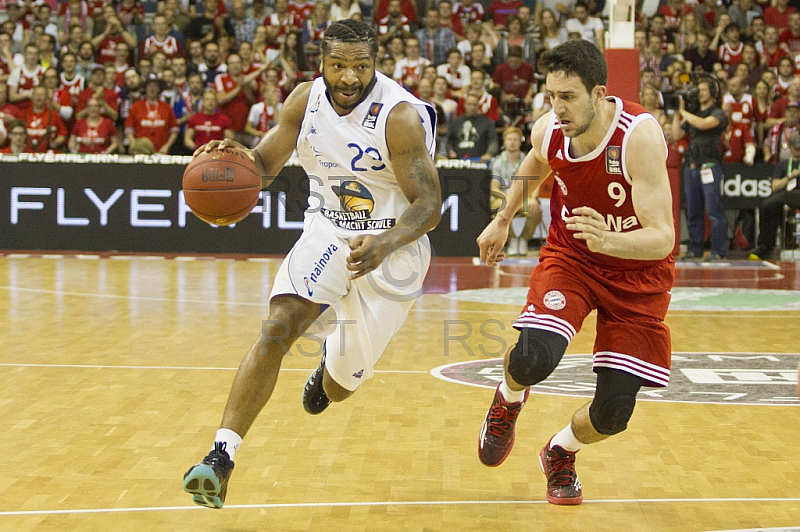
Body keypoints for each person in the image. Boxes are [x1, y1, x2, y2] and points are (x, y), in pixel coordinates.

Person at [181, 19, 442, 510]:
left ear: (375, 65)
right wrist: (231, 159)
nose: (348, 77)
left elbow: (428, 206)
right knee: (278, 327)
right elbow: (263, 164)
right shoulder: (304, 100)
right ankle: (220, 457)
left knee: (341, 389)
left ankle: (330, 368)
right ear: (321, 63)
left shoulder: (399, 116)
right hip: (327, 229)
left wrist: (385, 243)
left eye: (360, 67)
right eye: (338, 65)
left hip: (393, 246)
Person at [476, 40, 675, 506]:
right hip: (574, 257)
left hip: (637, 275)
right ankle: (508, 399)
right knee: (532, 358)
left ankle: (560, 452)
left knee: (613, 413)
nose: (557, 108)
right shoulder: (551, 129)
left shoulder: (638, 137)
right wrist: (503, 218)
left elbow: (663, 237)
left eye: (568, 97)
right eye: (551, 97)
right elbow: (534, 163)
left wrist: (611, 241)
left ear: (599, 93)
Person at [671, 76, 729, 260]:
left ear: (713, 93)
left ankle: (718, 251)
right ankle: (695, 249)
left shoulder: (718, 113)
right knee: (693, 210)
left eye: (703, 90)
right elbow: (676, 134)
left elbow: (704, 124)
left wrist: (683, 112)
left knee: (713, 210)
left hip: (710, 166)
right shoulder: (694, 114)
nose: (700, 93)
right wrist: (675, 113)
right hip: (692, 166)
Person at [490, 126, 540, 256]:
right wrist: (506, 198)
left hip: (523, 196)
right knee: (502, 206)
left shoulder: (527, 159)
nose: (512, 142)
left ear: (520, 141)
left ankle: (523, 239)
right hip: (504, 197)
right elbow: (494, 187)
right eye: (509, 139)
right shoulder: (498, 161)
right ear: (504, 141)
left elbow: (537, 181)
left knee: (535, 210)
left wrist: (533, 198)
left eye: (515, 139)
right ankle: (511, 239)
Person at [749, 133, 800, 260]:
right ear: (790, 147)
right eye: (796, 148)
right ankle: (765, 245)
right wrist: (789, 177)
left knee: (782, 196)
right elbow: (774, 186)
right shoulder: (783, 165)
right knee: (767, 204)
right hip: (786, 195)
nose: (799, 151)